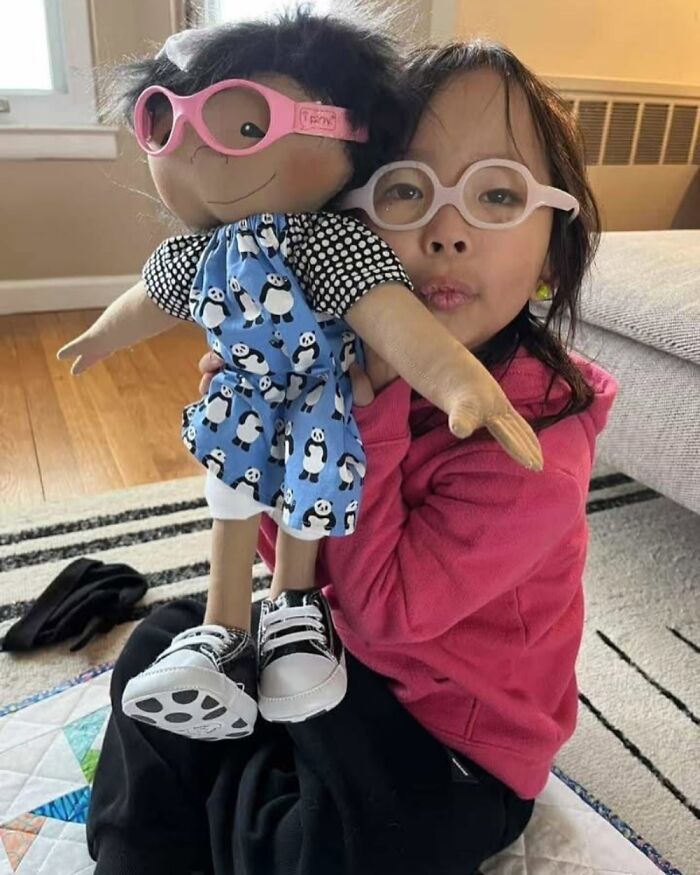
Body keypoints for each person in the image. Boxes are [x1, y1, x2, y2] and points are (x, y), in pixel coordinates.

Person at [86, 37, 617, 875]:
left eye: (498, 195)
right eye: (406, 192)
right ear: (349, 229)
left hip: (448, 744)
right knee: (163, 641)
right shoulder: (329, 361)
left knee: (355, 840)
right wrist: (263, 430)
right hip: (322, 661)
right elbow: (292, 561)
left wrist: (368, 410)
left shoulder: (539, 443)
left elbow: (383, 612)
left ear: (554, 249)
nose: (447, 232)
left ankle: (238, 797)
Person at [57, 11, 542, 741]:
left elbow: (388, 317)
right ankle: (223, 631)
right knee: (178, 603)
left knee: (303, 497)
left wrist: (454, 381)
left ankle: (292, 609)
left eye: (242, 125)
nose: (447, 233)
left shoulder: (330, 245)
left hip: (447, 725)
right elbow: (151, 297)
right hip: (248, 401)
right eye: (163, 122)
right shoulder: (204, 251)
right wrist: (99, 337)